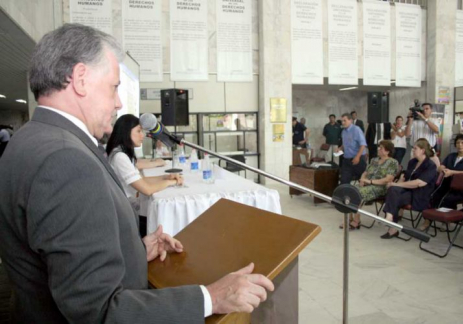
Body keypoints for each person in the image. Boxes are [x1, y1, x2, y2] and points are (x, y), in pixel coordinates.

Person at [0, 24, 274, 323]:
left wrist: (132, 250)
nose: (118, 102)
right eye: (114, 87)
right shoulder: (65, 159)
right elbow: (99, 311)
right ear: (80, 79)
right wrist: (212, 297)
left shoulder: (29, 140)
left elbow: (61, 255)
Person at [106, 114, 182, 215]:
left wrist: (166, 177)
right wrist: (172, 182)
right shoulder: (120, 157)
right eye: (138, 131)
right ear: (126, 132)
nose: (143, 135)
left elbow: (141, 180)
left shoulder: (121, 152)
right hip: (126, 210)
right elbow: (147, 189)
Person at [381, 139, 437, 239]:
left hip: (419, 194)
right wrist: (396, 184)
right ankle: (390, 218)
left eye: (415, 148)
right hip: (407, 191)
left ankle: (391, 222)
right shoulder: (412, 162)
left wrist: (396, 185)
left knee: (394, 194)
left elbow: (419, 183)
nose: (413, 151)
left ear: (423, 150)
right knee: (393, 191)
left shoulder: (430, 165)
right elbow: (405, 176)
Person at [424, 134, 463, 230]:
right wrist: (443, 169)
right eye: (458, 143)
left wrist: (452, 172)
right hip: (446, 183)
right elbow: (440, 166)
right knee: (433, 194)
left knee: (448, 198)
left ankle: (446, 220)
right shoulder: (451, 156)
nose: (460, 145)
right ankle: (428, 219)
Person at [339, 140, 398, 230]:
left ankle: (356, 220)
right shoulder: (374, 160)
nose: (378, 149)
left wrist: (370, 182)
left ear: (387, 151)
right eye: (379, 147)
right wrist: (362, 180)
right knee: (349, 190)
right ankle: (349, 218)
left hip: (380, 187)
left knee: (357, 193)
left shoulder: (392, 162)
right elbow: (365, 172)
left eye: (381, 148)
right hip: (367, 184)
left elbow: (388, 179)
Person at [336, 113, 367, 184]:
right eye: (342, 121)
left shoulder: (356, 130)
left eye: (345, 120)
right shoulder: (343, 132)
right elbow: (344, 144)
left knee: (362, 181)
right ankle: (344, 194)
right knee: (344, 180)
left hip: (358, 159)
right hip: (347, 160)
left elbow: (363, 144)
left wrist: (357, 157)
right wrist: (340, 148)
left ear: (350, 120)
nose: (343, 123)